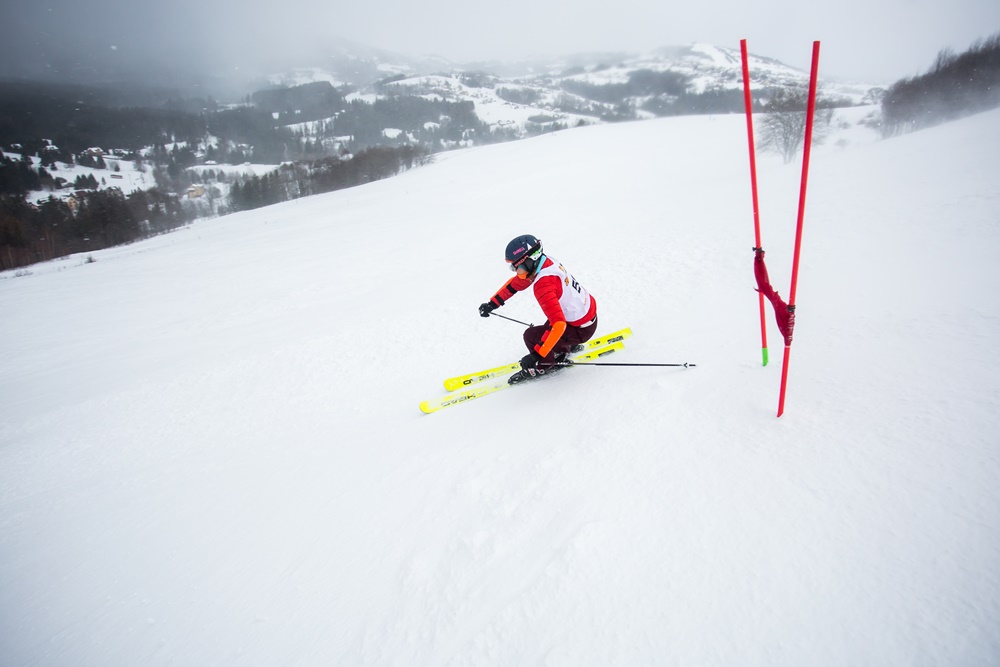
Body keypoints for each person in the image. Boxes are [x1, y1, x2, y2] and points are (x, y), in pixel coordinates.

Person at [479, 235, 598, 384]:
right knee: (549, 325)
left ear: (529, 260)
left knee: (531, 336)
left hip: (580, 329)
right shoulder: (545, 262)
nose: (516, 271)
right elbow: (516, 283)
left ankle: (545, 365)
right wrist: (493, 303)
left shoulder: (543, 285)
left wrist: (536, 355)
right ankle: (563, 348)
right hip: (586, 315)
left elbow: (559, 325)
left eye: (516, 267)